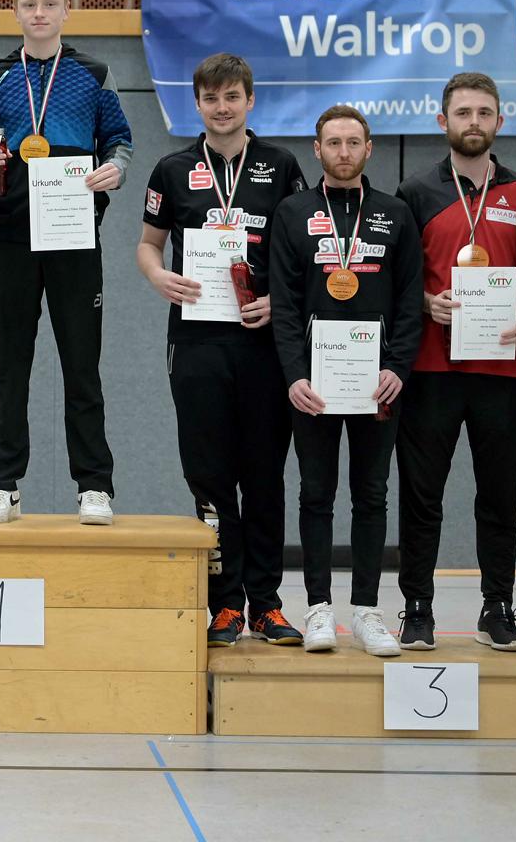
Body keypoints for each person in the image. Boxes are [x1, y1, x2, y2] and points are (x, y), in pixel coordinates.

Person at [137, 54, 308, 646]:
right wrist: (158, 276)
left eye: (232, 96)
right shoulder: (172, 168)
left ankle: (267, 604)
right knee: (209, 477)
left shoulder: (282, 166)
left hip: (263, 344)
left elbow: (301, 258)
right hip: (197, 341)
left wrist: (279, 302)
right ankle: (225, 603)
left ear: (250, 100)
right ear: (198, 104)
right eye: (211, 98)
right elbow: (148, 245)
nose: (222, 107)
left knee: (263, 474)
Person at [0, 0, 132, 526]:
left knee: (82, 365)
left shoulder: (94, 75)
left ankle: (94, 486)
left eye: (50, 4)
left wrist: (116, 170)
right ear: (15, 12)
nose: (39, 14)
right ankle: (2, 485)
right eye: (30, 5)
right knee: (9, 366)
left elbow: (120, 141)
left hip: (73, 234)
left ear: (66, 11)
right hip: (10, 235)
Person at [269, 105, 422, 656]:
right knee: (315, 494)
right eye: (332, 142)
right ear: (317, 149)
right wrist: (294, 375)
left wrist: (397, 367)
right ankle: (318, 608)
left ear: (368, 149)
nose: (343, 152)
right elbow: (285, 305)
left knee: (372, 495)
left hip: (375, 383)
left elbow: (410, 300)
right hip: (314, 385)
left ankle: (366, 611)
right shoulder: (293, 212)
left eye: (353, 142)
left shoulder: (394, 213)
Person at [393, 73, 516, 652]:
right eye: (462, 112)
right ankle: (417, 608)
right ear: (443, 121)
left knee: (500, 496)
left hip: (503, 369)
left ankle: (497, 608)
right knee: (421, 495)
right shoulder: (414, 192)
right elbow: (397, 279)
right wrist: (425, 303)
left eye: (483, 112)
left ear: (499, 121)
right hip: (432, 370)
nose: (472, 122)